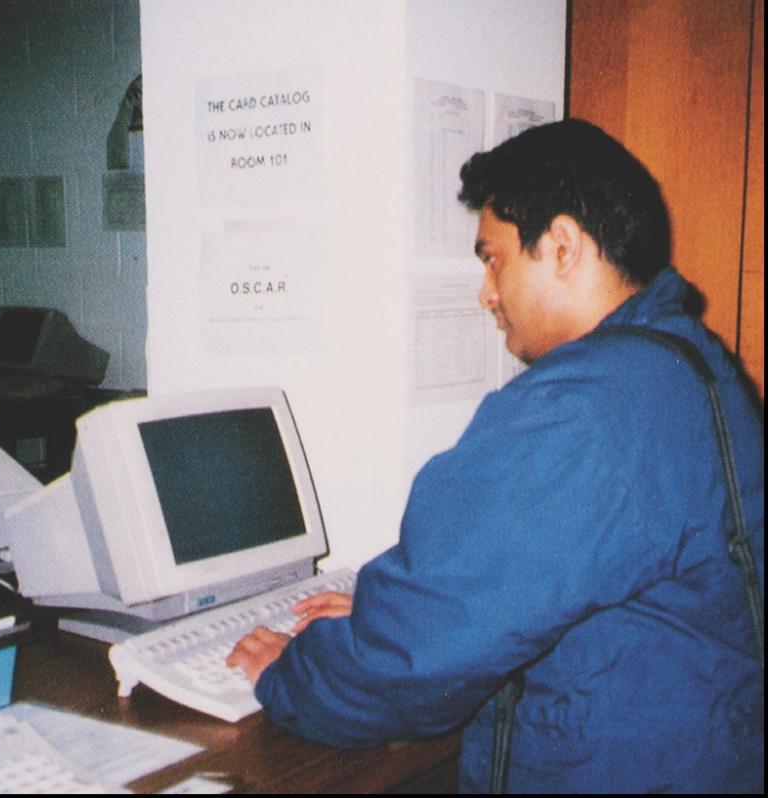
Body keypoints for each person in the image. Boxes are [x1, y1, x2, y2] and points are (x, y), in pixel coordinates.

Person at [227, 119, 764, 793]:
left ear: (562, 246)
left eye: (493, 259)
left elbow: (416, 662)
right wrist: (382, 614)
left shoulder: (587, 406)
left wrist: (293, 672)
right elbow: (535, 584)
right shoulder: (689, 361)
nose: (487, 293)